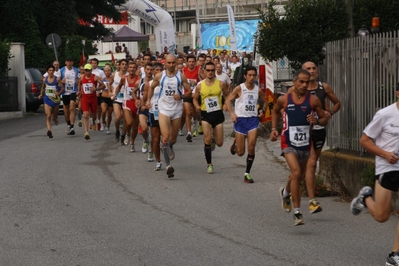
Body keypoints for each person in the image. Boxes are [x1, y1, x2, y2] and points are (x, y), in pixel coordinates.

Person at [270, 69, 327, 226]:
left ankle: (286, 192)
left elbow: (324, 119)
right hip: (288, 142)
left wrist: (316, 120)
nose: (304, 85)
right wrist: (274, 129)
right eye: (301, 81)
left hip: (305, 144)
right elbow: (275, 112)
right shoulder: (284, 99)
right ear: (294, 82)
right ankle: (297, 212)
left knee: (299, 176)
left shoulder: (314, 101)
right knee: (296, 172)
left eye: (307, 82)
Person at [350, 85, 399, 266]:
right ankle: (365, 198)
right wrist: (385, 154)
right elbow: (364, 140)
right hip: (387, 168)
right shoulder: (385, 114)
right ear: (397, 93)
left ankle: (395, 254)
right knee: (381, 216)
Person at [298, 61, 340, 213]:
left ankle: (288, 190)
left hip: (319, 128)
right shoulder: (297, 89)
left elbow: (337, 103)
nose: (312, 71)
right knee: (311, 162)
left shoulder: (324, 87)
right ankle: (312, 200)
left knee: (307, 167)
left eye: (314, 68)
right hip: (302, 131)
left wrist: (330, 113)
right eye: (308, 69)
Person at [146, 54, 192, 178]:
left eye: (173, 63)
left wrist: (181, 96)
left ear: (176, 63)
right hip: (164, 109)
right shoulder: (160, 76)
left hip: (176, 109)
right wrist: (148, 100)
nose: (171, 65)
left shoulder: (180, 76)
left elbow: (189, 92)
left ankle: (170, 146)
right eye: (169, 63)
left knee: (173, 139)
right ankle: (168, 166)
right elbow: (151, 87)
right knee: (165, 137)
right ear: (165, 63)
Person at [226, 66, 266, 183]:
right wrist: (232, 113)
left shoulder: (257, 90)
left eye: (254, 75)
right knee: (240, 153)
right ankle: (235, 142)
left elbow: (265, 101)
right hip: (240, 121)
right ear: (245, 76)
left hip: (253, 120)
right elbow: (228, 101)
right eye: (249, 75)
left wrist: (262, 110)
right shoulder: (239, 88)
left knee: (252, 146)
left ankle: (247, 173)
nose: (252, 77)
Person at [193, 62, 228, 174]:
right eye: (208, 70)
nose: (210, 72)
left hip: (217, 114)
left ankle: (213, 140)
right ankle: (209, 164)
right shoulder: (200, 85)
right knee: (207, 139)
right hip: (206, 114)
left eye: (212, 70)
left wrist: (226, 104)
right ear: (204, 71)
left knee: (220, 143)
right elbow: (194, 99)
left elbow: (227, 95)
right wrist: (197, 106)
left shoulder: (221, 84)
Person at [144, 63, 164, 170]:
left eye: (161, 69)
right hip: (154, 112)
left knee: (165, 137)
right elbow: (146, 97)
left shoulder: (167, 82)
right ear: (153, 71)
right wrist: (146, 103)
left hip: (165, 112)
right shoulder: (150, 83)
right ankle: (158, 161)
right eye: (157, 70)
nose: (159, 72)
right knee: (156, 138)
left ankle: (167, 147)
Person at [78, 63, 105, 140]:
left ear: (91, 70)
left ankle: (93, 122)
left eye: (88, 70)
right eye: (86, 70)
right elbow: (79, 84)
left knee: (94, 114)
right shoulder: (82, 77)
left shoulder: (95, 77)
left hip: (93, 98)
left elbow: (103, 86)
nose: (87, 72)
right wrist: (79, 92)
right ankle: (86, 132)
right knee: (85, 115)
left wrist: (96, 89)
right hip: (85, 98)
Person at [38, 65, 64, 138]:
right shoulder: (45, 80)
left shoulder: (57, 79)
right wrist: (40, 94)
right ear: (47, 71)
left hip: (55, 100)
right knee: (48, 115)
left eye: (52, 70)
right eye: (50, 70)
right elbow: (43, 88)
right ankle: (49, 131)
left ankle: (55, 119)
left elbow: (62, 88)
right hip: (47, 99)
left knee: (54, 116)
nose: (51, 72)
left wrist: (58, 93)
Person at [181, 54, 202, 142]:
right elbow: (181, 82)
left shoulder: (199, 70)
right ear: (186, 63)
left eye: (193, 62)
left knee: (195, 113)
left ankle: (195, 122)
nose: (191, 63)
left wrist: (196, 83)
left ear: (195, 62)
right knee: (188, 113)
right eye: (189, 62)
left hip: (195, 95)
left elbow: (203, 81)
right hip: (187, 94)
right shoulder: (183, 70)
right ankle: (189, 132)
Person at [60, 57, 79, 135]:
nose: (69, 63)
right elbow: (58, 82)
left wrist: (79, 90)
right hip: (65, 92)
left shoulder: (76, 70)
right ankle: (68, 124)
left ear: (72, 63)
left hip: (73, 91)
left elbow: (79, 81)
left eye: (70, 61)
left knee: (72, 107)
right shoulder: (61, 70)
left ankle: (72, 126)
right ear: (65, 62)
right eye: (68, 61)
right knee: (66, 111)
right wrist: (61, 82)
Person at [111, 59, 128, 142]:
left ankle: (123, 133)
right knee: (117, 117)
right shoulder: (115, 74)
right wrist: (111, 92)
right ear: (120, 66)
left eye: (125, 64)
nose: (124, 66)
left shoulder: (129, 75)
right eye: (122, 64)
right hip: (117, 97)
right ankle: (117, 130)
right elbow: (109, 83)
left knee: (125, 119)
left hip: (125, 98)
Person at [90, 58, 106, 131]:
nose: (94, 64)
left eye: (95, 63)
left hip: (98, 92)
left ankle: (98, 121)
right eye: (92, 63)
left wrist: (98, 90)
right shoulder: (88, 72)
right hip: (90, 92)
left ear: (97, 64)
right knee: (91, 109)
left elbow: (103, 83)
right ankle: (92, 121)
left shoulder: (100, 72)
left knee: (99, 109)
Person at [100, 65, 114, 135]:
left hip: (110, 98)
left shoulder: (112, 79)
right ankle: (103, 122)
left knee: (109, 114)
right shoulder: (102, 79)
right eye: (106, 71)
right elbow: (99, 87)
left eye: (109, 71)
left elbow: (112, 85)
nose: (107, 72)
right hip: (103, 97)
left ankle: (108, 127)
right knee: (104, 110)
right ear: (104, 72)